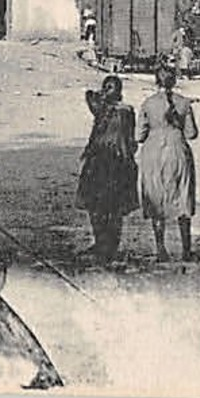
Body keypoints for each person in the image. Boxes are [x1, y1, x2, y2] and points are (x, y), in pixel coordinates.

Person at [137, 63, 199, 261]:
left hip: (153, 153)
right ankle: (186, 251)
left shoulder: (148, 104)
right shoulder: (184, 103)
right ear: (175, 81)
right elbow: (191, 133)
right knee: (182, 197)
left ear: (156, 81)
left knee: (156, 199)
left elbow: (139, 135)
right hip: (178, 150)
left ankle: (161, 250)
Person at [76, 75, 138, 262]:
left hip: (100, 161)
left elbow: (89, 95)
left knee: (97, 205)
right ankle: (110, 245)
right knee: (114, 206)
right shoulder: (127, 111)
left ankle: (102, 243)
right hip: (120, 162)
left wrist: (102, 95)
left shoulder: (103, 109)